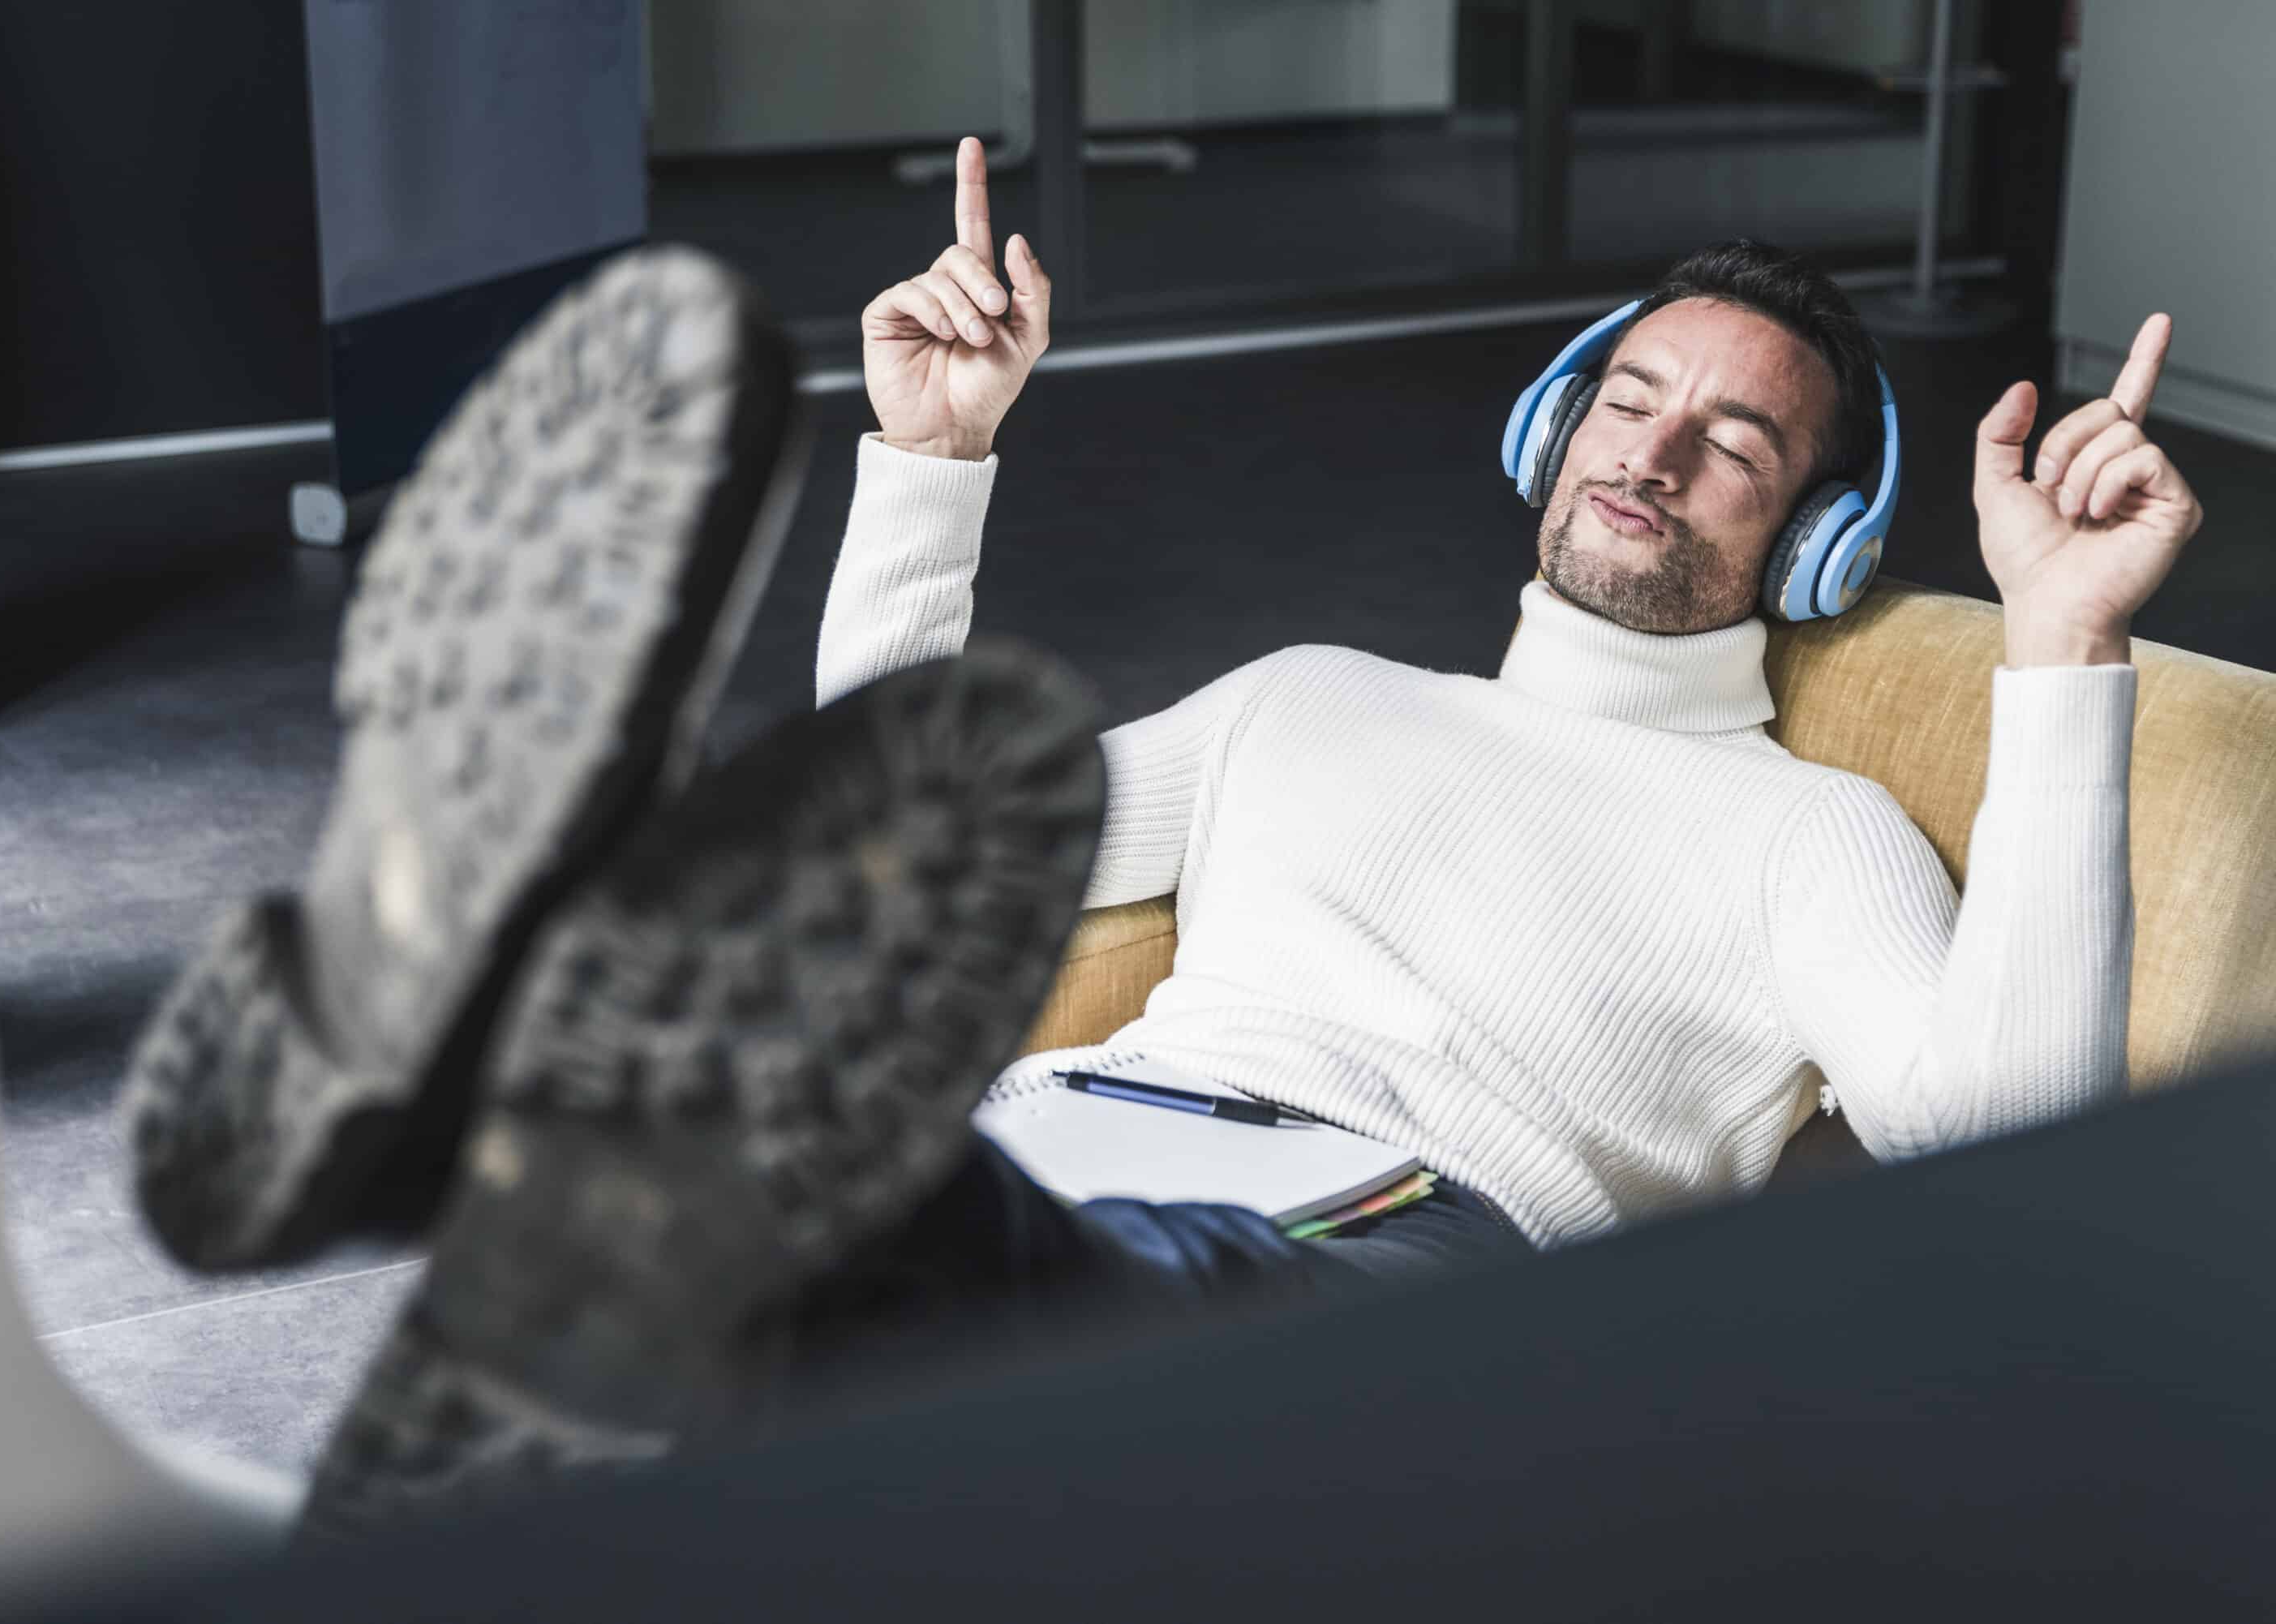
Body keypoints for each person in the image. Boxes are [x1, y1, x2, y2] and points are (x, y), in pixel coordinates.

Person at [133, 140, 2205, 1531]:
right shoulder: (1308, 697)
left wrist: (2061, 652)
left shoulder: (1809, 835)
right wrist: (930, 466)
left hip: (1388, 1245)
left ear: (1817, 530)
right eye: (1633, 398)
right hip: (1063, 1142)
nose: (1655, 450)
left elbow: (2005, 1141)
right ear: (1553, 426)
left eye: (1737, 440)